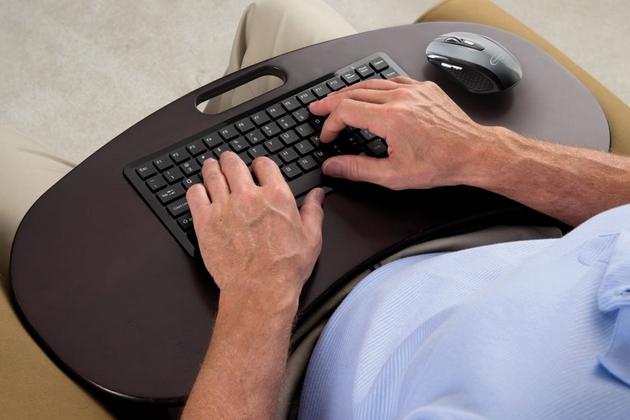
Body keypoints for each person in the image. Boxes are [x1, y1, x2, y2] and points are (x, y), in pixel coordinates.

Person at [1, 0, 629, 418]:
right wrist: (488, 153)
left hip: (299, 352)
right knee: (281, 14)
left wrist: (260, 292)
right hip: (495, 229)